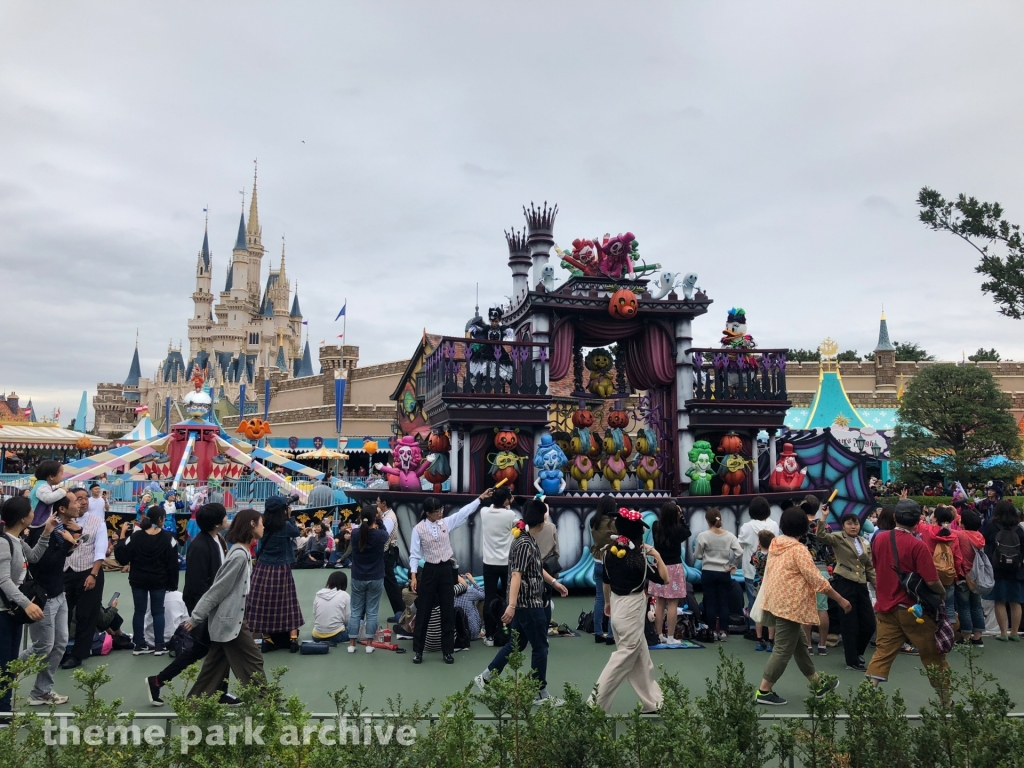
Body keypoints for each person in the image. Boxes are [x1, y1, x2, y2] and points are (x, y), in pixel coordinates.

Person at [755, 507, 852, 706]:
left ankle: (818, 684)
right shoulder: (799, 550)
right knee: (782, 650)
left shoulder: (776, 542)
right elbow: (817, 580)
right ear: (804, 527)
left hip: (776, 601)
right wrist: (840, 599)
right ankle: (763, 690)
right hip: (791, 605)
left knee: (799, 645)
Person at [475, 498, 568, 704]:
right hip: (529, 604)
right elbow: (516, 575)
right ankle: (539, 692)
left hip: (525, 603)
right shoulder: (526, 543)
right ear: (542, 522)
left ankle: (486, 677)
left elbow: (535, 568)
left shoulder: (524, 539)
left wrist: (553, 582)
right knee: (541, 647)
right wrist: (512, 605)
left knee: (516, 644)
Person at [147, 503, 236, 707]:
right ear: (216, 523)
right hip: (205, 607)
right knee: (207, 649)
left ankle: (160, 681)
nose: (226, 518)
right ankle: (159, 680)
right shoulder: (200, 546)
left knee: (209, 649)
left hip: (212, 605)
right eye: (224, 516)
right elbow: (196, 585)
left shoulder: (216, 539)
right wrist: (204, 611)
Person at [587, 508, 669, 713]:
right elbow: (664, 578)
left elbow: (606, 582)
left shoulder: (608, 552)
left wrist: (607, 603)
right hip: (633, 610)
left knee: (641, 659)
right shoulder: (638, 559)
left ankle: (653, 702)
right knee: (622, 659)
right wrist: (656, 554)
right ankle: (595, 703)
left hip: (616, 606)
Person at [866, 500, 948, 696]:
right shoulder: (917, 545)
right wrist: (942, 593)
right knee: (933, 657)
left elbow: (876, 566)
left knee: (882, 655)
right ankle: (946, 702)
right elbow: (931, 580)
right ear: (919, 519)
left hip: (885, 606)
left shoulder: (879, 539)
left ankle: (866, 698)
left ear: (895, 518)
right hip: (913, 610)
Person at [185, 509, 266, 698]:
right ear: (252, 524)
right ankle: (267, 703)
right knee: (253, 661)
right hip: (231, 620)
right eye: (261, 523)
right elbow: (218, 589)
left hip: (230, 618)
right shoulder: (238, 555)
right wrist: (196, 617)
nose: (263, 527)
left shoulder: (241, 552)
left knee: (213, 670)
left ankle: (192, 705)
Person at [409, 487, 494, 664]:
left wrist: (480, 498)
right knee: (424, 610)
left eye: (441, 510)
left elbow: (463, 513)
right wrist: (414, 576)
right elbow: (414, 554)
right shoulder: (418, 529)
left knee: (448, 609)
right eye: (437, 511)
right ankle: (418, 651)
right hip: (430, 570)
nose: (440, 513)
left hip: (446, 570)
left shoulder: (445, 523)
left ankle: (448, 651)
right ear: (427, 513)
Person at [21, 493, 80, 706]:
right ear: (61, 509)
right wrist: (67, 545)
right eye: (75, 501)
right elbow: (44, 565)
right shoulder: (44, 532)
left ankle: (41, 691)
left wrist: (72, 540)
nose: (80, 503)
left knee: (60, 643)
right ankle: (6, 671)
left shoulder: (61, 530)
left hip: (58, 593)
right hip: (42, 597)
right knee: (41, 647)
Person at [0, 497, 54, 717]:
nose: (34, 513)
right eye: (31, 510)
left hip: (11, 610)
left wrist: (46, 533)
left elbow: (34, 556)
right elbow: (3, 580)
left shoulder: (17, 540)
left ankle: (4, 709)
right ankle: (3, 712)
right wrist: (27, 604)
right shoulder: (4, 542)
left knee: (10, 662)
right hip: (4, 611)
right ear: (24, 518)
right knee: (5, 664)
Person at [815, 510, 876, 671]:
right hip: (844, 583)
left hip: (861, 584)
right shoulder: (837, 537)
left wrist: (878, 587)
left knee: (869, 623)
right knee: (849, 623)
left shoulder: (864, 542)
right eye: (849, 523)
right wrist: (823, 517)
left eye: (855, 523)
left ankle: (857, 652)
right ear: (843, 526)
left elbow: (869, 567)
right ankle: (852, 660)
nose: (853, 526)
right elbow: (821, 536)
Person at [114, 506, 179, 655]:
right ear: (161, 519)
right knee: (158, 612)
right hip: (159, 581)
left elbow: (123, 557)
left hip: (138, 580)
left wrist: (122, 536)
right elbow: (173, 564)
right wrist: (172, 584)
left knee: (139, 612)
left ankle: (139, 645)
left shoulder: (135, 537)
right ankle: (159, 645)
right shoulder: (169, 538)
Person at [247, 495, 304, 653]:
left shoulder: (262, 523)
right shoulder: (285, 525)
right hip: (281, 569)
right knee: (288, 604)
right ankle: (293, 640)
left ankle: (267, 639)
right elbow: (296, 533)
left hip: (263, 568)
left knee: (262, 604)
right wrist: (290, 517)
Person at [61, 486, 109, 670]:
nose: (83, 501)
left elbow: (100, 550)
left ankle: (78, 654)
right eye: (78, 498)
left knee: (85, 615)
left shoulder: (98, 522)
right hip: (65, 572)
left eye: (85, 497)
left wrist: (93, 574)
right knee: (62, 614)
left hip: (89, 572)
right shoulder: (60, 522)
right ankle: (61, 651)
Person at [693, 508, 742, 641]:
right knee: (723, 602)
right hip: (724, 571)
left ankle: (713, 630)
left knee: (710, 602)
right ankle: (724, 631)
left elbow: (697, 555)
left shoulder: (703, 536)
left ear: (707, 521)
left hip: (708, 571)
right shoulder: (729, 536)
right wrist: (733, 565)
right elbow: (739, 552)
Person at [348, 504, 390, 653]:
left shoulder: (354, 534)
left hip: (358, 576)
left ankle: (352, 643)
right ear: (375, 518)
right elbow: (386, 533)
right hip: (376, 576)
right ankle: (370, 644)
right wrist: (380, 520)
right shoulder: (381, 536)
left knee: (355, 610)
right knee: (372, 611)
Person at [480, 486, 519, 646]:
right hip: (506, 564)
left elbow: (493, 508)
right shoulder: (510, 515)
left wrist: (504, 500)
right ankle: (506, 633)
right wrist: (509, 504)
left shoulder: (484, 512)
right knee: (507, 599)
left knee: (489, 598)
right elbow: (523, 526)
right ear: (505, 501)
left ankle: (489, 636)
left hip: (489, 563)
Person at [649, 501, 691, 646]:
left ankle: (659, 635)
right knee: (673, 603)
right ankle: (671, 636)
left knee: (660, 601)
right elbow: (688, 531)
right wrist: (681, 516)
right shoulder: (678, 529)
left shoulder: (656, 526)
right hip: (674, 566)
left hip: (659, 566)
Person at [983, 499, 1024, 641]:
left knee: (999, 600)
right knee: (1015, 600)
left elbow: (984, 543)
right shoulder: (1018, 529)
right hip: (1016, 569)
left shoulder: (991, 526)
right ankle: (1014, 632)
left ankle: (1003, 633)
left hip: (997, 568)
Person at [916, 505, 964, 627]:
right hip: (948, 576)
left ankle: (931, 638)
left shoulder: (926, 530)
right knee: (949, 608)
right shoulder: (953, 536)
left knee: (927, 607)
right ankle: (949, 637)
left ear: (935, 518)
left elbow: (915, 521)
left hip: (929, 575)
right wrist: (955, 575)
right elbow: (958, 559)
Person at [799, 496, 835, 656]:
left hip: (805, 570)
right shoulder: (825, 526)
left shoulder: (799, 526)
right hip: (822, 569)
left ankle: (807, 645)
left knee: (807, 609)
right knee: (822, 608)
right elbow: (831, 551)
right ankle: (822, 644)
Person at [738, 496, 780, 629]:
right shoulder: (773, 525)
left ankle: (753, 628)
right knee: (769, 601)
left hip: (752, 571)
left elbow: (739, 544)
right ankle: (770, 628)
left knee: (753, 601)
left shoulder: (747, 527)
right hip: (770, 570)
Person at [952, 508, 987, 646]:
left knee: (964, 607)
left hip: (963, 575)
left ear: (964, 524)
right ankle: (977, 637)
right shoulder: (980, 536)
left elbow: (942, 530)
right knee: (977, 606)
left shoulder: (961, 535)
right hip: (977, 576)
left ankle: (965, 636)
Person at [589, 496, 618, 644]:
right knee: (613, 598)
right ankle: (612, 635)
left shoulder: (594, 522)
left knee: (600, 597)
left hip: (597, 561)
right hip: (612, 562)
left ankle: (598, 632)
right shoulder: (614, 523)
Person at [377, 495, 404, 622]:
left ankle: (400, 612)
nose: (376, 503)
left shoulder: (388, 518)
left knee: (390, 583)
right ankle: (399, 612)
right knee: (389, 582)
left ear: (384, 503)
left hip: (388, 552)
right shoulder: (386, 516)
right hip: (389, 551)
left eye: (378, 501)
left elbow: (384, 536)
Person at [750, 530, 775, 651]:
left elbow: (752, 562)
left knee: (759, 612)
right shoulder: (774, 555)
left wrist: (757, 549)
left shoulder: (756, 555)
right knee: (770, 612)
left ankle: (759, 640)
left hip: (757, 583)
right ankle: (771, 641)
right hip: (770, 583)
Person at [312, 571, 351, 646]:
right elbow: (347, 619)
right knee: (359, 623)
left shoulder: (319, 594)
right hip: (337, 635)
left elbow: (315, 613)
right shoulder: (345, 595)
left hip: (316, 636)